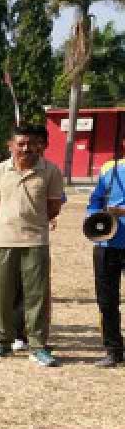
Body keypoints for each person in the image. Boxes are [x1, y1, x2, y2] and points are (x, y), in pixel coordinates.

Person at [0, 124, 65, 366]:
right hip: (2, 240)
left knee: (36, 295)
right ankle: (2, 341)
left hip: (35, 241)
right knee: (2, 294)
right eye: (20, 144)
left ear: (37, 146)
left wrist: (31, 223)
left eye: (29, 144)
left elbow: (53, 207)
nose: (25, 148)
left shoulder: (50, 171)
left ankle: (37, 345)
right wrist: (8, 223)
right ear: (10, 146)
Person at [88, 154, 125, 367]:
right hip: (107, 244)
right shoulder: (109, 169)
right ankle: (113, 350)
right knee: (107, 301)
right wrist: (93, 216)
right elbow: (95, 201)